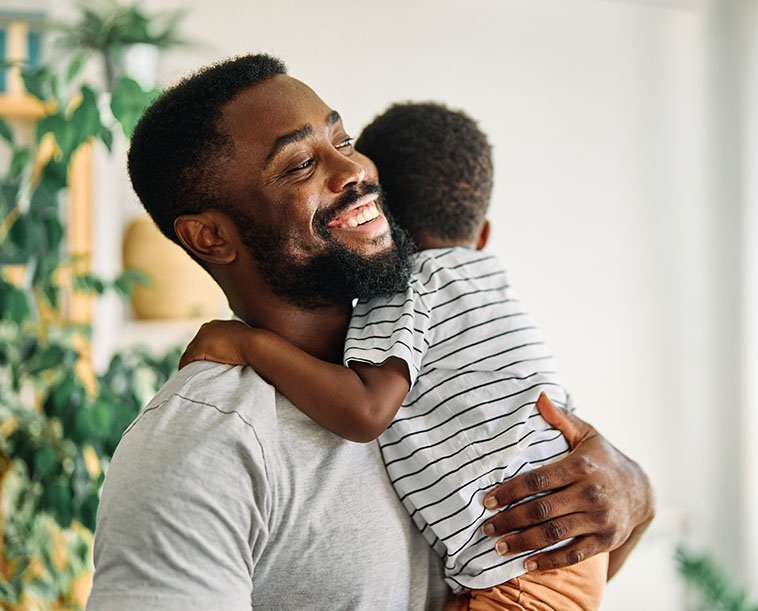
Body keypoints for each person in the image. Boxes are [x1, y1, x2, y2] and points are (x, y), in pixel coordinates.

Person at [87, 54, 654, 610]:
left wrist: (636, 499)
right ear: (210, 237)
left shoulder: (436, 350)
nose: (354, 170)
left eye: (343, 141)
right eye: (299, 165)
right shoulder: (201, 451)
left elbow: (546, 579)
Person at [179, 102, 607, 610]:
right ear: (482, 232)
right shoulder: (490, 280)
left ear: (379, 215)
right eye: (303, 162)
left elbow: (364, 412)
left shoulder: (405, 290)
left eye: (343, 145)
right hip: (574, 551)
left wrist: (248, 344)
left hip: (517, 574)